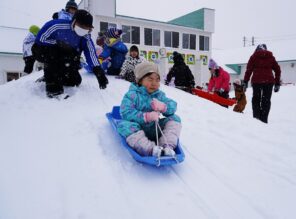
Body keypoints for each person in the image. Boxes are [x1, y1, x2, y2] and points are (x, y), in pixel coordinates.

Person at [32, 9, 108, 98]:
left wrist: (98, 71)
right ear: (74, 21)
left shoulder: (85, 36)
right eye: (81, 26)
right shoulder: (56, 25)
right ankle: (53, 90)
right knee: (54, 53)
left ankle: (50, 77)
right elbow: (40, 39)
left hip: (64, 54)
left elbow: (91, 52)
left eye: (87, 28)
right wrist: (57, 43)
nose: (84, 29)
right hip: (42, 49)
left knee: (74, 80)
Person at [117, 62, 182, 157]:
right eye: (150, 79)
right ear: (140, 80)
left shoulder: (159, 95)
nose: (154, 83)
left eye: (157, 80)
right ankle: (150, 149)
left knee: (175, 118)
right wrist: (146, 116)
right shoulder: (132, 95)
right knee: (124, 125)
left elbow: (173, 106)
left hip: (153, 129)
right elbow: (126, 113)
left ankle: (167, 146)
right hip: (136, 129)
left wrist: (164, 107)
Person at [243, 44, 281, 123]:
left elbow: (249, 70)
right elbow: (277, 70)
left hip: (257, 81)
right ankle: (264, 119)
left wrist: (245, 81)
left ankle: (257, 118)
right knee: (266, 100)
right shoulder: (270, 57)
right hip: (268, 81)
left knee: (256, 99)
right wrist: (277, 83)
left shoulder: (253, 57)